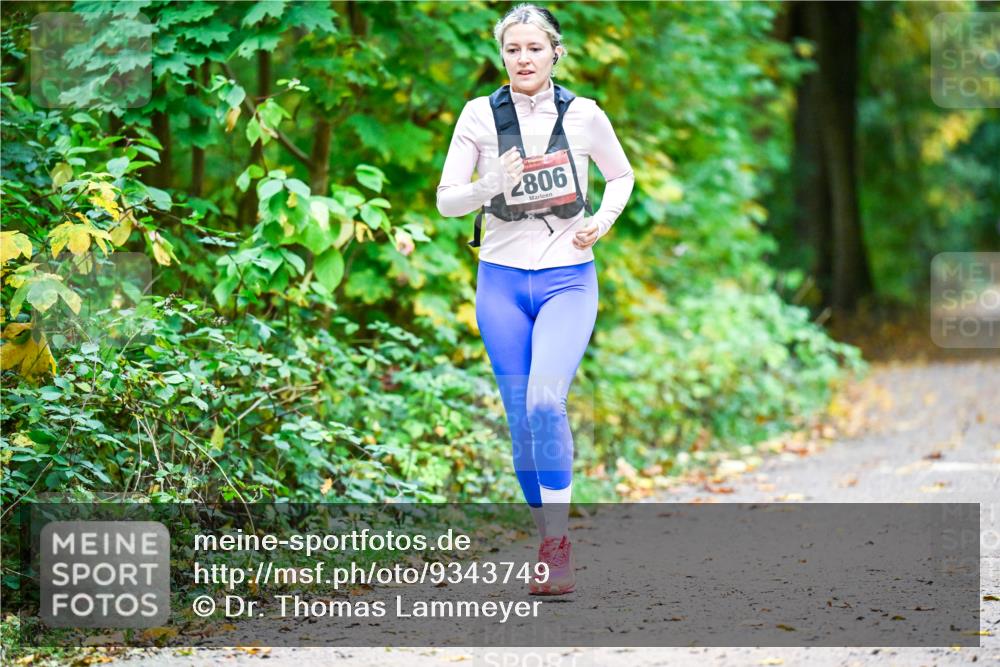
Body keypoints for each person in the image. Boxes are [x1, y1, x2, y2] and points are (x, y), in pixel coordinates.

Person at [436, 3, 634, 595]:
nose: (523, 59)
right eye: (513, 49)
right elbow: (447, 201)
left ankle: (556, 545)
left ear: (556, 53)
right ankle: (545, 534)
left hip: (568, 278)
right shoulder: (477, 115)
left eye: (534, 49)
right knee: (522, 419)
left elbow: (621, 176)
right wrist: (489, 183)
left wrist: (602, 219)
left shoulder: (585, 115)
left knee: (547, 401)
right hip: (499, 280)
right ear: (503, 56)